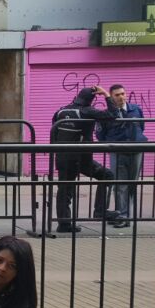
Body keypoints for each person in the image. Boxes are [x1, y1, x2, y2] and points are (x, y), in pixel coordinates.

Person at [52, 86, 119, 233]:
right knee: (106, 175)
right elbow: (113, 114)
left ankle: (64, 222)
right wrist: (107, 95)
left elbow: (54, 131)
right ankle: (98, 212)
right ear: (91, 100)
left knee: (64, 190)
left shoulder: (61, 111)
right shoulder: (86, 111)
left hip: (64, 157)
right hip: (81, 159)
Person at [98, 84, 145, 228]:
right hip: (118, 152)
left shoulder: (135, 109)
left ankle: (127, 215)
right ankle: (122, 215)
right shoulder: (107, 114)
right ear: (111, 97)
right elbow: (100, 135)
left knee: (132, 184)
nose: (121, 97)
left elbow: (141, 127)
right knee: (120, 186)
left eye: (123, 94)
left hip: (136, 151)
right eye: (117, 95)